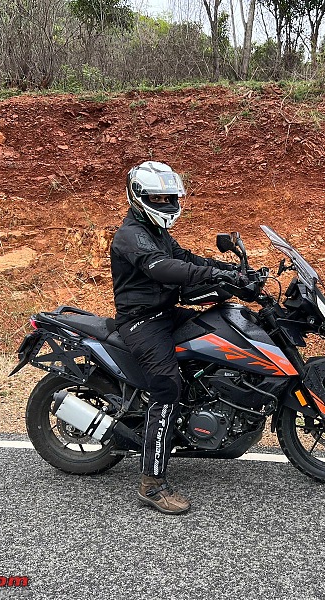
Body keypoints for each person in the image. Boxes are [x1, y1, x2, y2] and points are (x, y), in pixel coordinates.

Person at [110, 160, 246, 515]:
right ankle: (152, 484)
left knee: (224, 328)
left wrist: (233, 273)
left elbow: (184, 257)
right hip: (142, 322)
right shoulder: (131, 235)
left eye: (171, 197)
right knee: (167, 386)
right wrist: (209, 273)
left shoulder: (156, 231)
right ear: (139, 197)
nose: (167, 204)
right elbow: (165, 267)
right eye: (159, 197)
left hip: (167, 313)